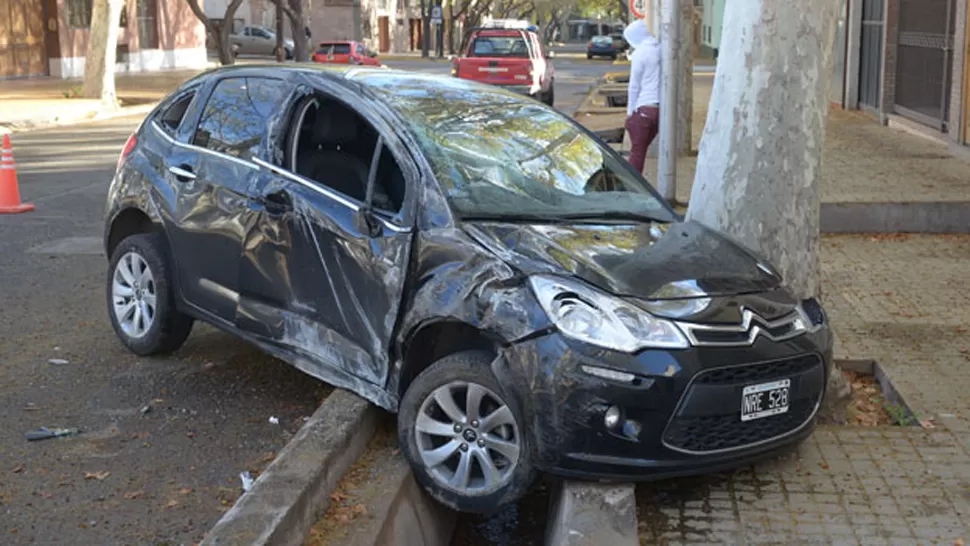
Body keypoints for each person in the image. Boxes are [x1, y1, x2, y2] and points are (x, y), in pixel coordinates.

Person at [622, 20, 661, 175]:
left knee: (637, 153)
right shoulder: (660, 49)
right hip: (661, 109)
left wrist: (630, 113)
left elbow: (634, 86)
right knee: (641, 149)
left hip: (644, 108)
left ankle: (632, 184)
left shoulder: (640, 54)